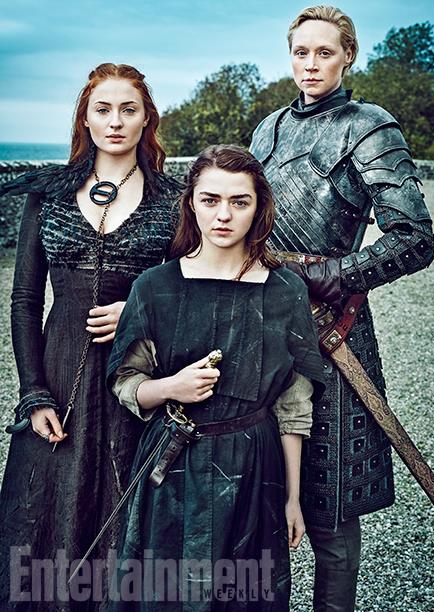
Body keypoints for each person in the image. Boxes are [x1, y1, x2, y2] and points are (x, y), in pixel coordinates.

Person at [250, 5, 434, 611]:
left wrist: (329, 274)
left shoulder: (370, 127)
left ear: (347, 56)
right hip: (257, 323)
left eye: (324, 52)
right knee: (256, 486)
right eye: (300, 52)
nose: (310, 64)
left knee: (328, 506)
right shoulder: (268, 129)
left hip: (334, 331)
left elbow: (414, 238)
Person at [105, 144, 326, 610]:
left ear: (259, 208)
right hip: (173, 467)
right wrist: (171, 388)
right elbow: (126, 381)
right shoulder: (155, 287)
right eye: (210, 200)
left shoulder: (285, 291)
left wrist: (293, 498)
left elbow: (293, 407)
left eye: (239, 202)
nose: (223, 215)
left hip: (255, 469)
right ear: (191, 203)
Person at [0, 63, 181, 610]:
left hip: (136, 382)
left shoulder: (174, 200)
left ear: (147, 118)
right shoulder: (48, 195)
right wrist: (34, 394)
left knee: (124, 517)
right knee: (41, 521)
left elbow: (192, 293)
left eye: (129, 109)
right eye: (103, 109)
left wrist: (139, 312)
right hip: (58, 377)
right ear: (85, 117)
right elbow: (25, 300)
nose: (115, 121)